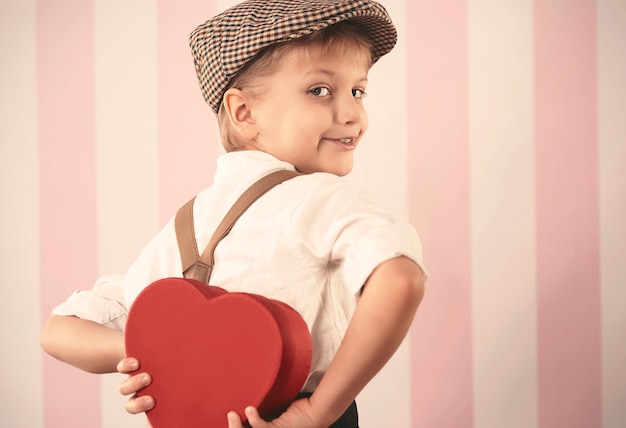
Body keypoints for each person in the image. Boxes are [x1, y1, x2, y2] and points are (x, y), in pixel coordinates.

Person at [39, 0, 427, 426]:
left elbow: (58, 331)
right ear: (244, 113)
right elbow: (401, 279)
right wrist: (318, 410)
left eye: (358, 91)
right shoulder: (320, 197)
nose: (354, 113)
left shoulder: (186, 226)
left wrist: (149, 352)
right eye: (320, 90)